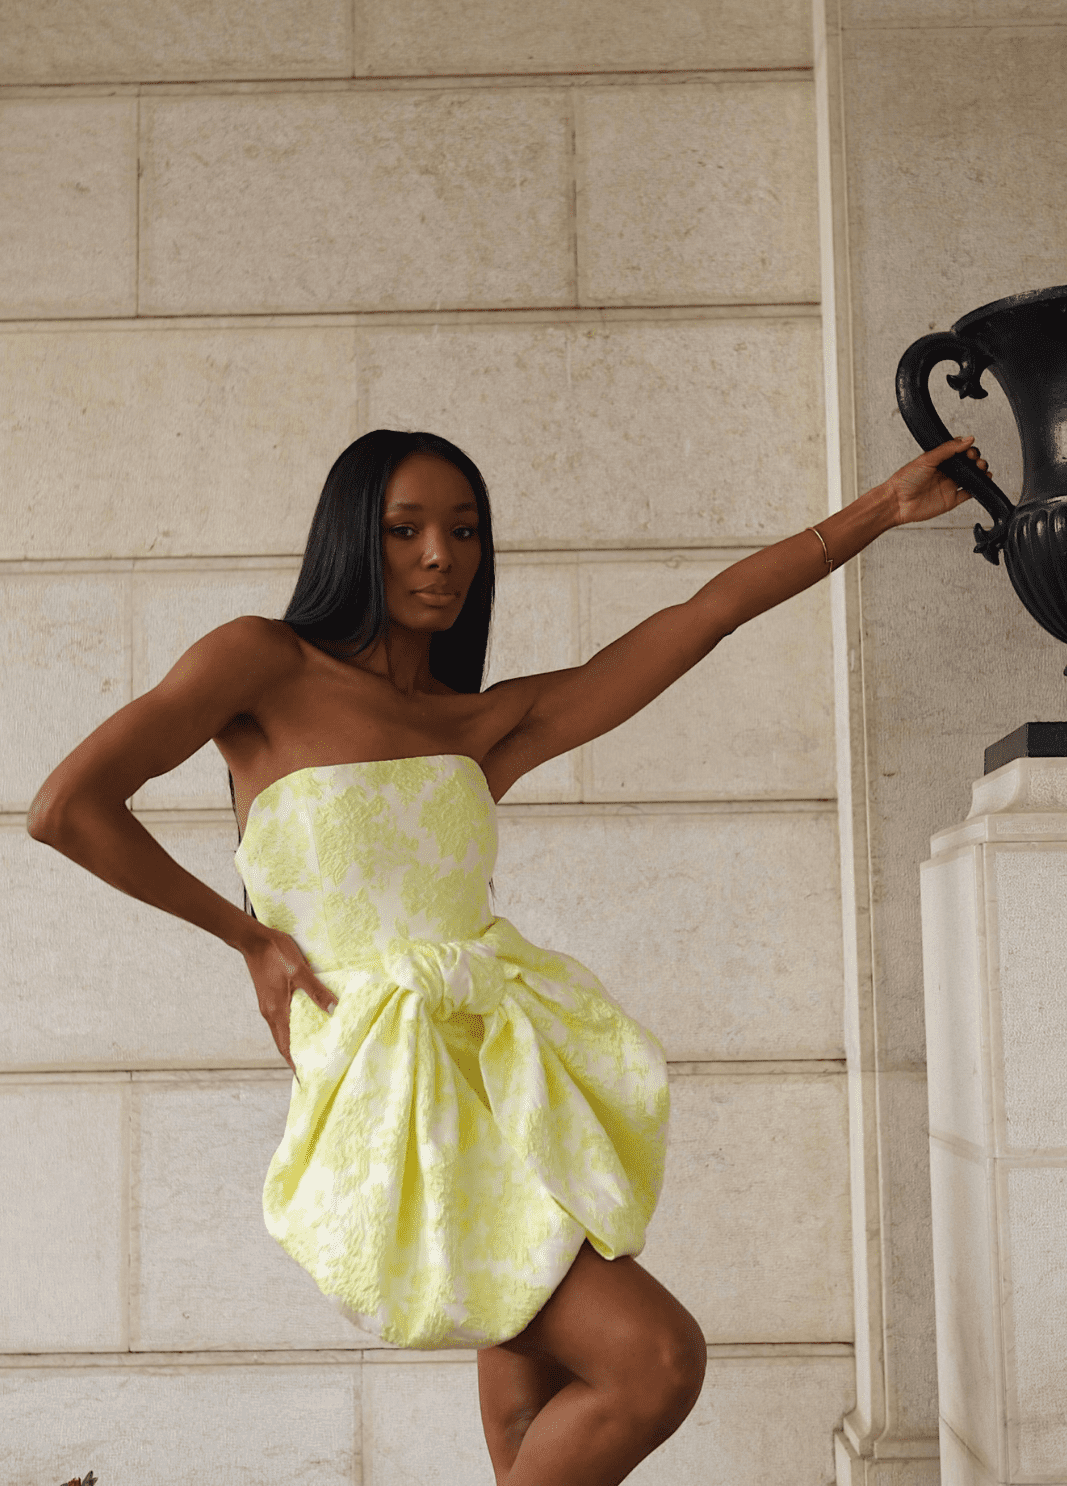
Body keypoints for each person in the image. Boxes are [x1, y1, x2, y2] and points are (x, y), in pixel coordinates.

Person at [27, 425, 991, 1486]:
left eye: (464, 529)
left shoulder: (482, 722)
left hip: (493, 1068)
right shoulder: (260, 660)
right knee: (655, 1361)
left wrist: (878, 512)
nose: (439, 554)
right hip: (379, 1088)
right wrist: (245, 935)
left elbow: (698, 619)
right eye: (404, 529)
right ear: (356, 536)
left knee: (531, 1429)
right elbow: (69, 807)